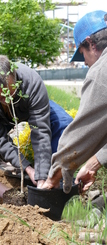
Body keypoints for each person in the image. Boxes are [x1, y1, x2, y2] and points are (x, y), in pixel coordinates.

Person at [0, 55, 73, 188]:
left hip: (30, 109)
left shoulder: (32, 82)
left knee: (64, 123)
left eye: (9, 95)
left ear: (15, 77)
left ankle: (54, 172)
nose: (6, 101)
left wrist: (41, 175)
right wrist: (27, 168)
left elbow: (40, 131)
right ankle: (1, 157)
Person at [42, 10, 107, 193]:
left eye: (82, 54)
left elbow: (82, 132)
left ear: (91, 44)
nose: (85, 63)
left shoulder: (101, 71)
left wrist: (54, 174)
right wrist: (95, 162)